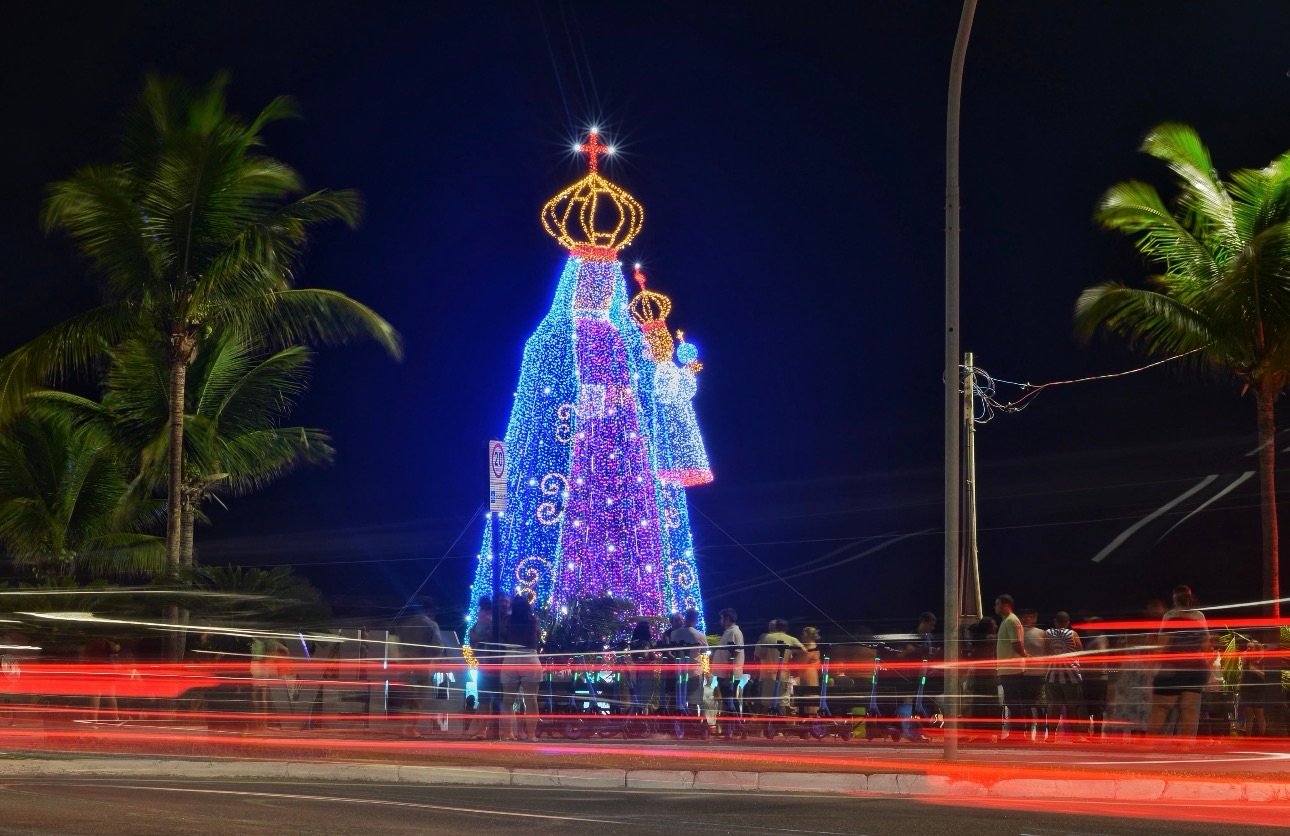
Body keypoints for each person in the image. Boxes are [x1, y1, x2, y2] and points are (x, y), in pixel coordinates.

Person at [1148, 585, 1209, 743]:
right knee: (1188, 712)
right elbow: (1205, 646)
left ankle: (1147, 749)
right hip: (1195, 669)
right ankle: (1185, 752)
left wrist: (1151, 667)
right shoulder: (1199, 617)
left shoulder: (1170, 616)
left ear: (1174, 600)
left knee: (1160, 710)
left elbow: (1162, 645)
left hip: (1172, 668)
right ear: (1190, 598)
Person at [499, 594, 542, 741]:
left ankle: (507, 734)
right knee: (531, 700)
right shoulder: (533, 620)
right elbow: (538, 636)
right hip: (529, 657)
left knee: (507, 701)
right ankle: (531, 735)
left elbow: (503, 634)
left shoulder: (508, 620)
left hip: (511, 657)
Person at [1044, 611, 1084, 740]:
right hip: (1071, 676)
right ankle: (1076, 736)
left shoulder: (1048, 633)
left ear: (1055, 622)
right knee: (1073, 707)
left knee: (1054, 707)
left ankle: (1050, 736)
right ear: (1068, 622)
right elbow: (1080, 651)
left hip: (1052, 675)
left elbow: (1046, 651)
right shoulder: (1073, 634)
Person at [754, 618, 805, 715]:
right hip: (783, 675)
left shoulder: (767, 638)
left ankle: (765, 727)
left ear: (775, 627)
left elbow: (759, 654)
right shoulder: (791, 639)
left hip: (768, 676)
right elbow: (804, 650)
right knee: (782, 704)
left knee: (766, 703)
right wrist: (791, 655)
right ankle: (782, 727)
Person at [994, 594, 1028, 738]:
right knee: (1013, 702)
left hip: (1011, 669)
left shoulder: (1011, 621)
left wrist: (1025, 656)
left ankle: (1018, 734)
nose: (995, 607)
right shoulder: (1008, 621)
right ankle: (1017, 733)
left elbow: (1016, 644)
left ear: (1005, 605)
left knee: (1014, 702)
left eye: (997, 604)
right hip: (1008, 668)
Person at [465, 598, 496, 740]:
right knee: (485, 699)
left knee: (485, 699)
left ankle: (482, 729)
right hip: (484, 662)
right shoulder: (481, 623)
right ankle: (482, 729)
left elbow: (481, 638)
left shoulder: (488, 622)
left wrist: (475, 637)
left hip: (487, 662)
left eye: (482, 610)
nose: (480, 613)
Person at [1019, 609, 1049, 741]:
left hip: (1039, 674)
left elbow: (1048, 653)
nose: (1026, 619)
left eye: (1029, 616)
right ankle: (1026, 733)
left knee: (1040, 705)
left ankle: (1042, 732)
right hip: (1023, 674)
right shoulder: (1017, 633)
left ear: (1035, 618)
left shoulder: (1042, 634)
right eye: (1024, 617)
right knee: (1025, 706)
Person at [712, 609, 745, 720]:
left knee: (730, 699)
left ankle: (736, 724)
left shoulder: (734, 632)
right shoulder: (729, 632)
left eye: (722, 618)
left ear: (727, 619)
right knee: (728, 699)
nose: (720, 621)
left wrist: (728, 673)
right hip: (724, 673)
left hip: (728, 674)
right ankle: (732, 725)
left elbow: (735, 652)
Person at [1081, 617, 1110, 741]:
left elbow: (1102, 656)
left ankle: (1096, 735)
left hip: (1096, 679)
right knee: (1093, 707)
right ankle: (1094, 734)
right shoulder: (1098, 639)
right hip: (1095, 678)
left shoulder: (1100, 640)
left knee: (1095, 708)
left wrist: (1091, 668)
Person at [1239, 640, 1268, 738]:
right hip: (1247, 690)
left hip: (1258, 691)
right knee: (1248, 716)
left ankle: (1262, 737)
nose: (1248, 649)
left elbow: (1265, 676)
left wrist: (1254, 669)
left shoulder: (1262, 660)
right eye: (1247, 647)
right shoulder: (1246, 661)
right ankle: (1248, 738)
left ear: (1256, 649)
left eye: (1251, 647)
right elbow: (1243, 675)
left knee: (1260, 715)